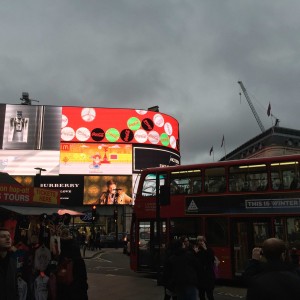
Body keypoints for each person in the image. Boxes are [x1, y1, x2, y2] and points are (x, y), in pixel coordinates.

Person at [56, 231, 88, 300]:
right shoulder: (78, 260)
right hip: (77, 293)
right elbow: (83, 282)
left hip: (64, 294)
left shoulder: (60, 259)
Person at [194, 235, 216, 300]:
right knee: (201, 295)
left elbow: (211, 260)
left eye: (201, 240)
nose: (200, 242)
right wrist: (195, 253)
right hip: (200, 277)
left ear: (204, 241)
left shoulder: (209, 249)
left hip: (208, 276)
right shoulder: (197, 250)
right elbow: (194, 262)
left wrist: (206, 249)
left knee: (210, 295)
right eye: (198, 240)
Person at [0, 227, 19, 300]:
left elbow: (15, 287)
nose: (8, 238)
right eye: (3, 236)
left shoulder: (13, 262)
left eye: (9, 236)